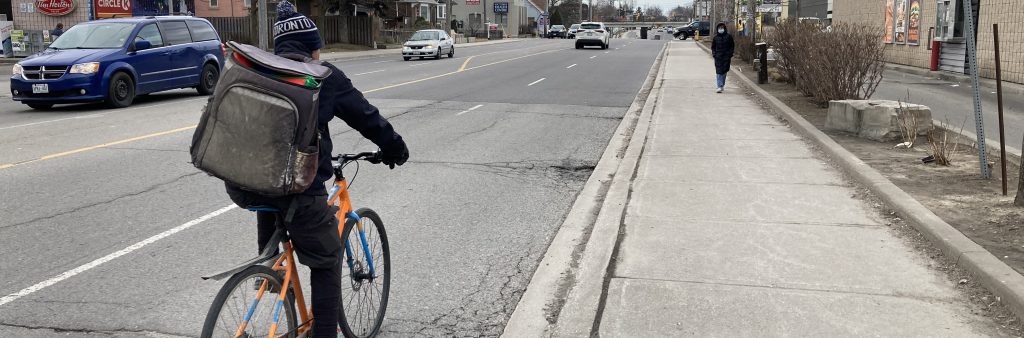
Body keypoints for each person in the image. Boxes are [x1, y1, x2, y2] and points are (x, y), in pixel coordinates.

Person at [223, 1, 409, 337]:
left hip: (244, 185)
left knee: (273, 200)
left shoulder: (260, 70)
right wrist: (395, 148)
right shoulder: (323, 77)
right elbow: (367, 118)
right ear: (313, 48)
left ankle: (271, 269)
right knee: (326, 260)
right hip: (298, 192)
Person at [710, 22, 734, 93]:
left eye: (722, 28)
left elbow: (732, 46)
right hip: (718, 57)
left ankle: (722, 85)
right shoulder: (715, 38)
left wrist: (730, 54)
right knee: (719, 71)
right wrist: (714, 54)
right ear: (717, 29)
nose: (721, 29)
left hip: (726, 57)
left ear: (724, 28)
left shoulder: (729, 37)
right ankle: (719, 86)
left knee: (724, 71)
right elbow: (713, 47)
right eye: (719, 28)